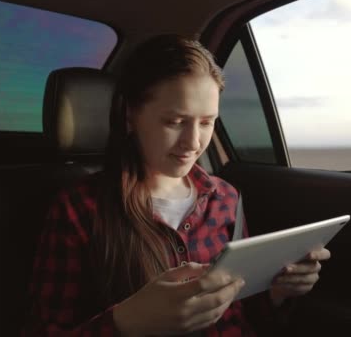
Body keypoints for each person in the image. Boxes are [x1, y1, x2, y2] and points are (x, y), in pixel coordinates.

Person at [22, 34, 331, 336]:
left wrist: (278, 292)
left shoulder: (225, 197)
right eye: (174, 121)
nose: (193, 143)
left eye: (207, 122)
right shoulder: (80, 209)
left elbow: (241, 313)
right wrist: (126, 322)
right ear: (130, 115)